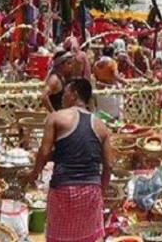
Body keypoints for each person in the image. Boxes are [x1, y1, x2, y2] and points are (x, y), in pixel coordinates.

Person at [31, 78, 112, 242]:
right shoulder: (101, 126)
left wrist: (34, 173)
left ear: (74, 94)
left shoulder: (56, 118)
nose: (62, 96)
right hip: (91, 189)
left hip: (64, 188)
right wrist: (100, 192)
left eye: (65, 92)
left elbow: (44, 152)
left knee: (59, 238)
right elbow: (109, 165)